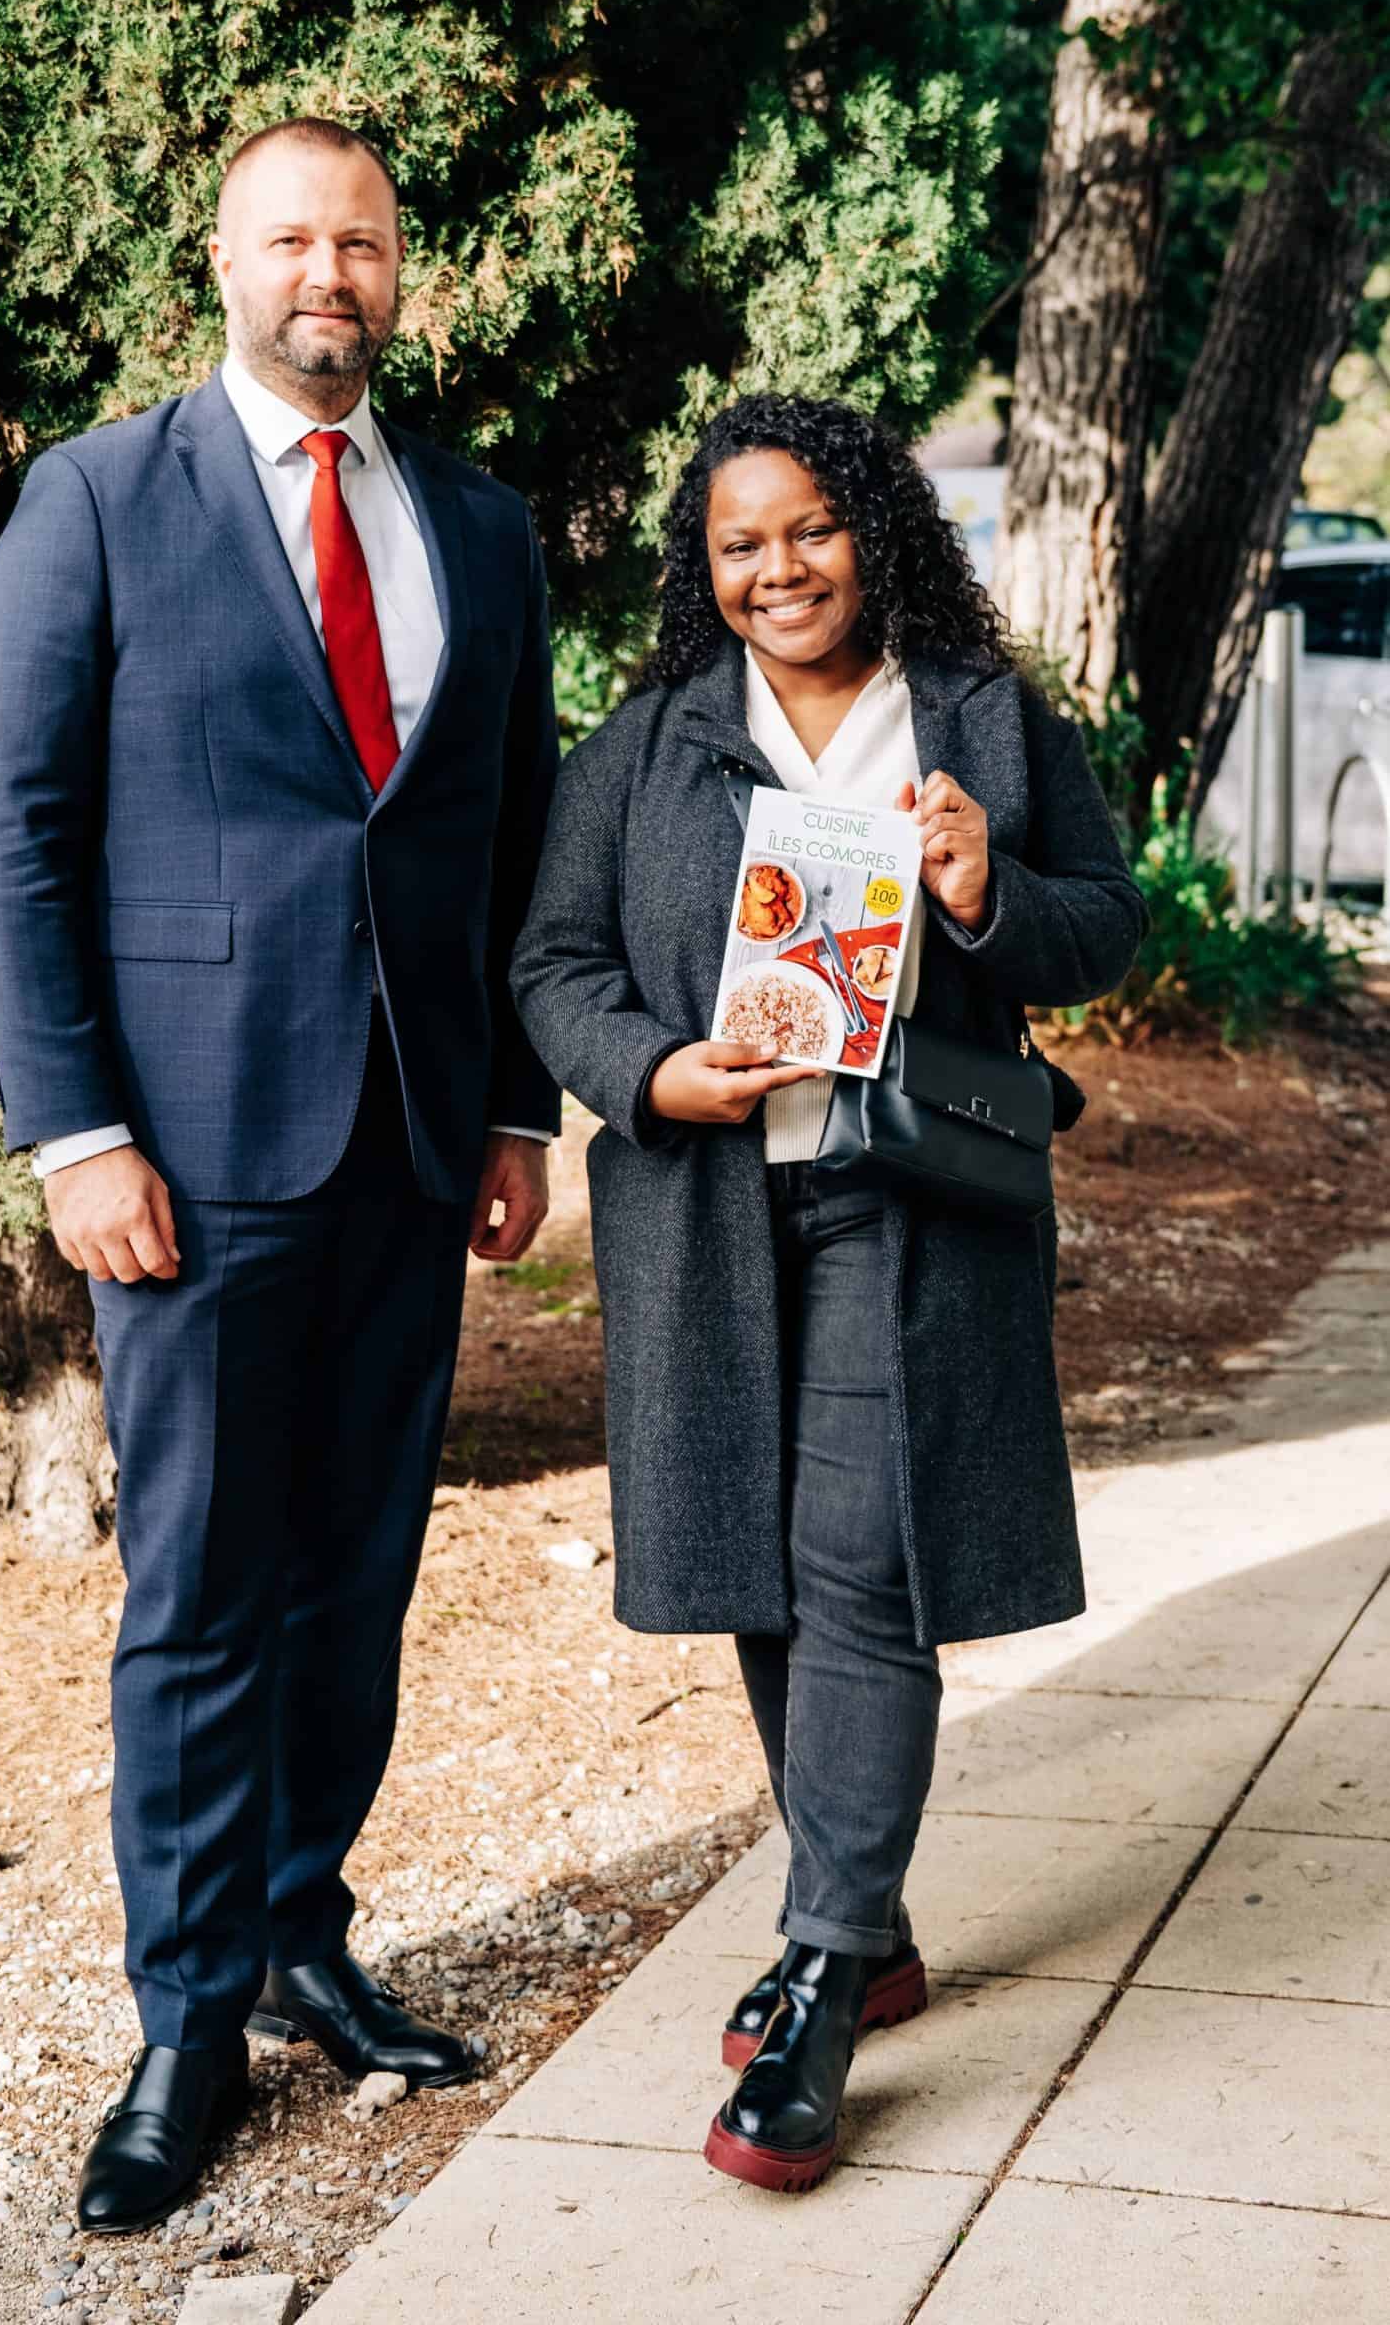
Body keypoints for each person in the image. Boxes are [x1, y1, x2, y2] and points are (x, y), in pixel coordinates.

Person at [0, 118, 560, 2234]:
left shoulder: (478, 528)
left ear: (403, 273)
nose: (330, 273)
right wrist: (75, 1127)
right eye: (292, 238)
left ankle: (302, 1929)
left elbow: (501, 837)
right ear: (221, 259)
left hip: (405, 1145)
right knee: (201, 1594)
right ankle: (188, 2016)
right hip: (187, 1158)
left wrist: (507, 1105)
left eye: (364, 241)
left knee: (354, 1568)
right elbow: (11, 833)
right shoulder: (99, 500)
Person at [511, 393, 1145, 2196]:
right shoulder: (644, 748)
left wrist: (984, 889)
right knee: (766, 1577)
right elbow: (551, 964)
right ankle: (867, 1927)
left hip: (911, 1201)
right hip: (710, 1210)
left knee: (867, 1564)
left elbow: (1105, 921)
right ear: (701, 572)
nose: (778, 568)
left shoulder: (981, 724)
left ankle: (817, 1974)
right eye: (738, 543)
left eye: (809, 528)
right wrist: (649, 1073)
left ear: (875, 530)